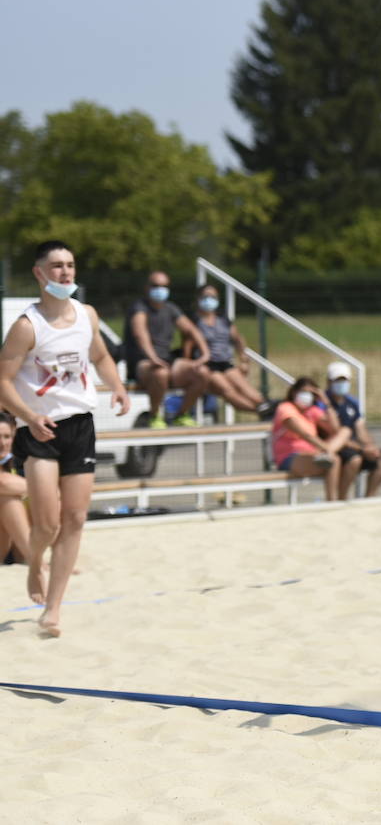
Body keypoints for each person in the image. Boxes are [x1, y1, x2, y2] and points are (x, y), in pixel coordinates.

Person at [0, 240, 131, 637]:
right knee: (47, 522)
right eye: (56, 266)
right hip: (39, 427)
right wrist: (27, 416)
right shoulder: (27, 326)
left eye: (70, 265)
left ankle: (53, 608)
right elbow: (2, 381)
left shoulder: (86, 315)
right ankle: (35, 561)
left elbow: (102, 356)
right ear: (40, 274)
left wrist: (118, 387)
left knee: (74, 518)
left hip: (79, 425)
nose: (66, 272)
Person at [124, 271, 210, 428]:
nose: (160, 290)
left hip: (166, 359)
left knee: (202, 372)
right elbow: (140, 333)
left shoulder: (171, 308)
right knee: (160, 373)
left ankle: (182, 414)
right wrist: (152, 357)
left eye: (164, 286)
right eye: (156, 286)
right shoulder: (139, 308)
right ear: (147, 287)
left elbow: (191, 330)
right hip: (143, 362)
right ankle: (155, 415)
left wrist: (205, 354)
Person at [186, 284, 269, 418]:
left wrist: (243, 360)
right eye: (206, 296)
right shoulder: (194, 321)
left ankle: (268, 408)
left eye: (213, 297)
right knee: (227, 390)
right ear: (198, 299)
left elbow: (237, 339)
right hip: (208, 366)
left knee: (247, 389)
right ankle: (260, 411)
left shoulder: (223, 319)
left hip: (225, 363)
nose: (209, 300)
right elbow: (188, 346)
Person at [271, 376, 352, 500]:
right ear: (294, 392)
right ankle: (333, 501)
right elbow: (305, 434)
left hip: (313, 454)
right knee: (333, 460)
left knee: (345, 431)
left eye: (310, 393)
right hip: (290, 457)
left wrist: (327, 403)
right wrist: (326, 448)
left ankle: (334, 500)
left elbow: (335, 429)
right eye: (303, 392)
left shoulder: (311, 410)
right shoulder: (285, 408)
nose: (306, 396)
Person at [324, 361, 381, 499]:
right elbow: (335, 434)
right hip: (336, 446)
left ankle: (369, 498)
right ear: (328, 382)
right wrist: (362, 449)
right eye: (337, 380)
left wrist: (371, 447)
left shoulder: (352, 403)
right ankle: (342, 498)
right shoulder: (324, 403)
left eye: (344, 380)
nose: (341, 384)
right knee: (354, 460)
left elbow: (360, 429)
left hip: (354, 446)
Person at [0, 413, 32, 566]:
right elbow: (3, 483)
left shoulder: (14, 462)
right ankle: (36, 562)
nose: (2, 443)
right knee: (8, 499)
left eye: (7, 437)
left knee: (43, 502)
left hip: (12, 545)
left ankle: (33, 559)